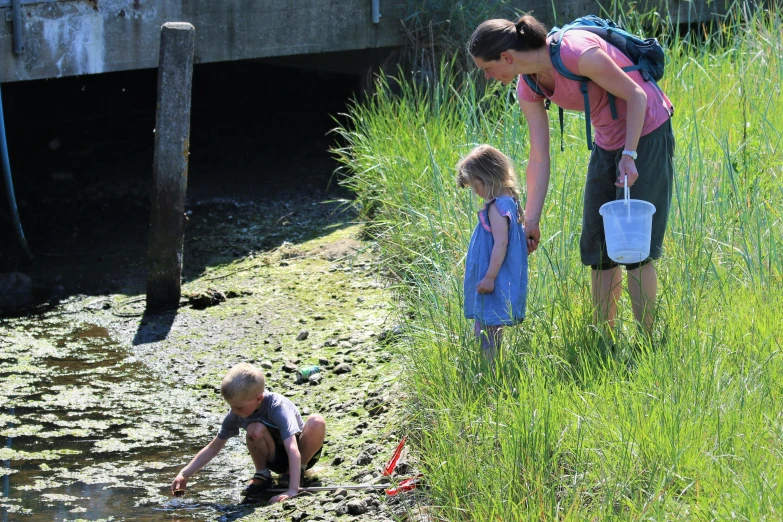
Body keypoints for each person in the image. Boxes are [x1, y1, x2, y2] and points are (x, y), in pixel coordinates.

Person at [468, 15, 675, 334]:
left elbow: (637, 96)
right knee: (598, 247)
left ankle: (647, 341)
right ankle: (603, 339)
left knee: (634, 245)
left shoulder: (578, 54)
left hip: (645, 132)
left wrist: (630, 156)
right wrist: (532, 220)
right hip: (607, 143)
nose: (487, 76)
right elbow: (539, 156)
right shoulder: (529, 85)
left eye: (487, 68)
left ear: (507, 57)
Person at [171, 363, 326, 504]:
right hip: (275, 458)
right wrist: (184, 473)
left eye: (238, 407)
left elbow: (292, 448)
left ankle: (295, 474)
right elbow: (214, 447)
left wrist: (293, 490)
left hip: (300, 454)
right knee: (255, 429)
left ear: (258, 399)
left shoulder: (278, 407)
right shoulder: (236, 412)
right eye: (231, 406)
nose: (234, 411)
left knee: (316, 421)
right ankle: (262, 475)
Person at [457, 144, 528, 360]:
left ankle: (489, 369)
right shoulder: (511, 203)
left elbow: (501, 243)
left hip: (494, 277)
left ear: (486, 179)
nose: (475, 192)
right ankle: (493, 365)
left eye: (475, 186)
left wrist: (489, 277)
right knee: (492, 324)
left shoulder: (497, 207)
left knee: (486, 325)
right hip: (502, 275)